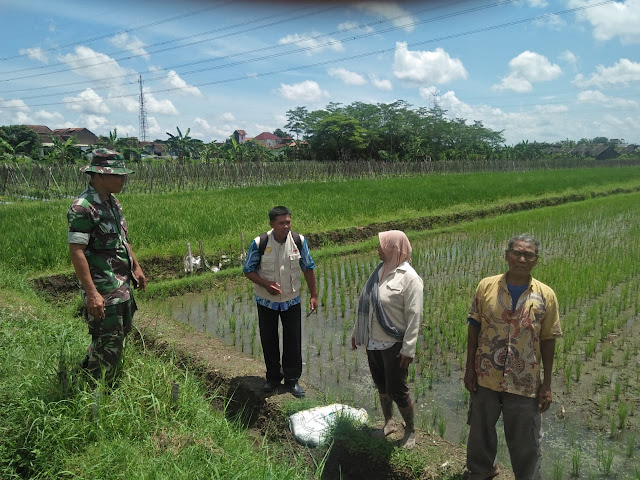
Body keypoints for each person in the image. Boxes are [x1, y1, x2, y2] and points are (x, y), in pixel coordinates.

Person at [463, 234, 562, 480]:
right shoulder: (486, 286)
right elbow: (474, 326)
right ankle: (482, 470)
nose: (522, 259)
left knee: (525, 438)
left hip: (524, 380)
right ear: (507, 255)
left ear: (536, 260)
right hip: (486, 373)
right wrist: (469, 368)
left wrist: (547, 384)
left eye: (528, 255)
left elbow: (549, 338)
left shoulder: (546, 295)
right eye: (517, 253)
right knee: (480, 429)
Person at [67, 148, 146, 385]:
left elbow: (123, 239)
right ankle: (97, 392)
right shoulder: (83, 207)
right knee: (108, 343)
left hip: (121, 285)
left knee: (115, 337)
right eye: (118, 175)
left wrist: (137, 268)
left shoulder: (113, 203)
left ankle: (85, 376)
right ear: (98, 175)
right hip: (103, 290)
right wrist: (92, 294)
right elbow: (76, 251)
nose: (123, 179)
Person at [352, 230, 423, 449]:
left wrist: (408, 350)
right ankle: (389, 423)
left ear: (393, 248)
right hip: (373, 340)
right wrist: (357, 332)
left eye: (381, 245)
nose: (377, 249)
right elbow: (367, 305)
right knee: (381, 383)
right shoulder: (378, 271)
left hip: (395, 345)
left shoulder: (410, 278)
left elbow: (415, 317)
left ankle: (410, 430)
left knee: (398, 388)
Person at [243, 206, 318, 398]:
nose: (286, 226)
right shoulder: (260, 242)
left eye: (288, 222)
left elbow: (308, 267)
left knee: (293, 339)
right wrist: (265, 284)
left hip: (291, 300)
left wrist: (313, 294)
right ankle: (273, 378)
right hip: (266, 301)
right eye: (281, 223)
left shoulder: (299, 241)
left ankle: (292, 381)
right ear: (272, 224)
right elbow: (248, 270)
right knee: (269, 339)